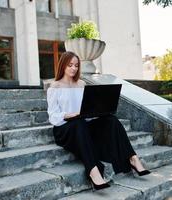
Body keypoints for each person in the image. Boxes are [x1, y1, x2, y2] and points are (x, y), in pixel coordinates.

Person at [47, 51, 150, 191]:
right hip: (64, 128)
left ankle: (132, 158)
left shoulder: (81, 84)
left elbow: (86, 111)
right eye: (70, 65)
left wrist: (97, 112)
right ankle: (93, 170)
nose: (73, 68)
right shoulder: (55, 86)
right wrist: (70, 115)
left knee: (111, 120)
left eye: (76, 65)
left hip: (82, 123)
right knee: (78, 123)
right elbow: (53, 116)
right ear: (63, 65)